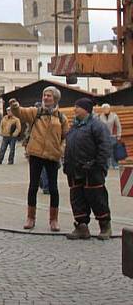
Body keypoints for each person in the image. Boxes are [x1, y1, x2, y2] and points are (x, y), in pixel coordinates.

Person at [9, 86, 68, 231]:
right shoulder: (36, 112)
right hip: (36, 154)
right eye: (44, 95)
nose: (46, 97)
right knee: (33, 186)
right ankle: (30, 218)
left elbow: (66, 137)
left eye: (49, 96)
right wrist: (15, 106)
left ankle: (54, 220)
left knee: (53, 189)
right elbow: (21, 113)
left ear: (55, 99)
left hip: (52, 155)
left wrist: (61, 150)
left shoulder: (61, 117)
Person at [63, 98, 113, 240]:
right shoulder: (74, 126)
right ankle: (81, 227)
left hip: (92, 170)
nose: (74, 109)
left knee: (97, 198)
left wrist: (98, 165)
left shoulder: (97, 126)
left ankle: (105, 227)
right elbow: (69, 146)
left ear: (86, 109)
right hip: (74, 170)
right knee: (77, 199)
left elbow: (105, 146)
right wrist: (67, 164)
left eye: (77, 107)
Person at [98, 103, 122, 170]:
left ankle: (115, 164)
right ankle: (107, 165)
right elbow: (98, 127)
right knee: (105, 151)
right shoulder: (100, 116)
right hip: (103, 136)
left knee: (114, 151)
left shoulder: (114, 116)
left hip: (113, 136)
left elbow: (118, 126)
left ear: (109, 109)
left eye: (106, 108)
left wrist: (119, 135)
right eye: (103, 108)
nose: (105, 109)